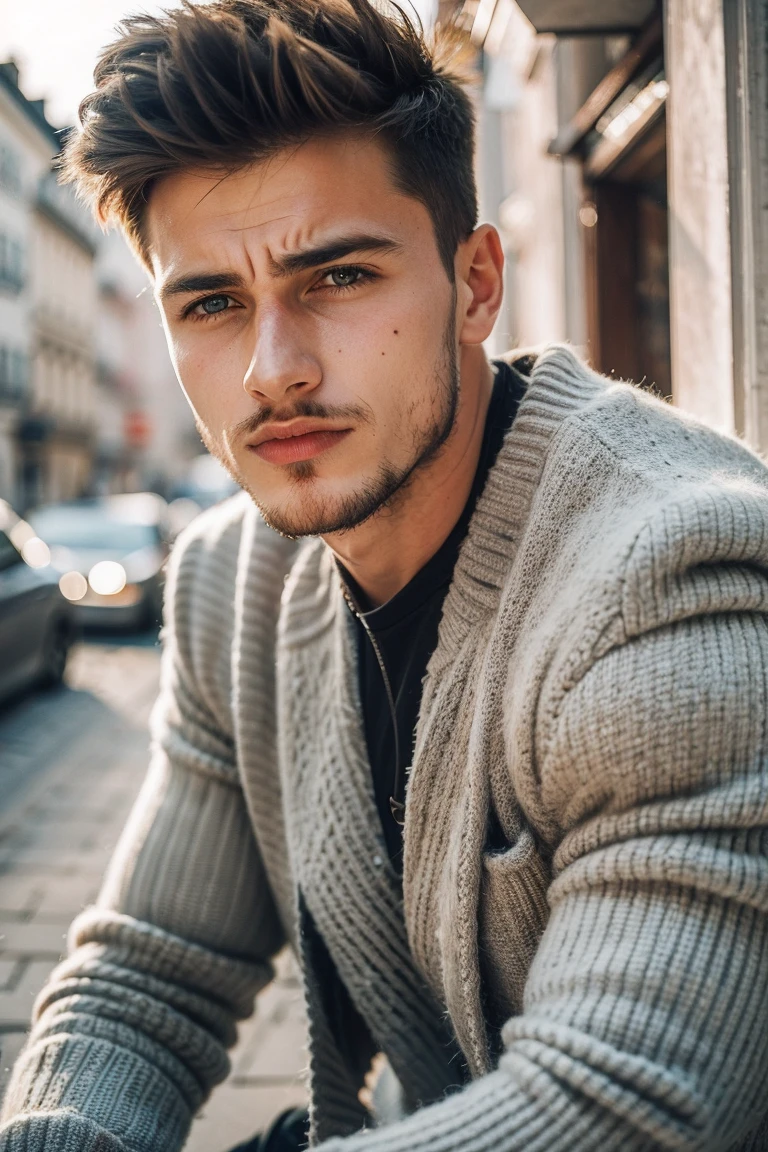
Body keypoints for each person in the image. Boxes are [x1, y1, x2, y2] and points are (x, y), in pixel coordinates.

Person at [2, 1, 768, 1149]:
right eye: (210, 303)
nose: (274, 371)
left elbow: (626, 1112)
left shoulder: (668, 580)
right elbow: (150, 979)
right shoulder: (229, 586)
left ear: (474, 285)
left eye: (340, 278)